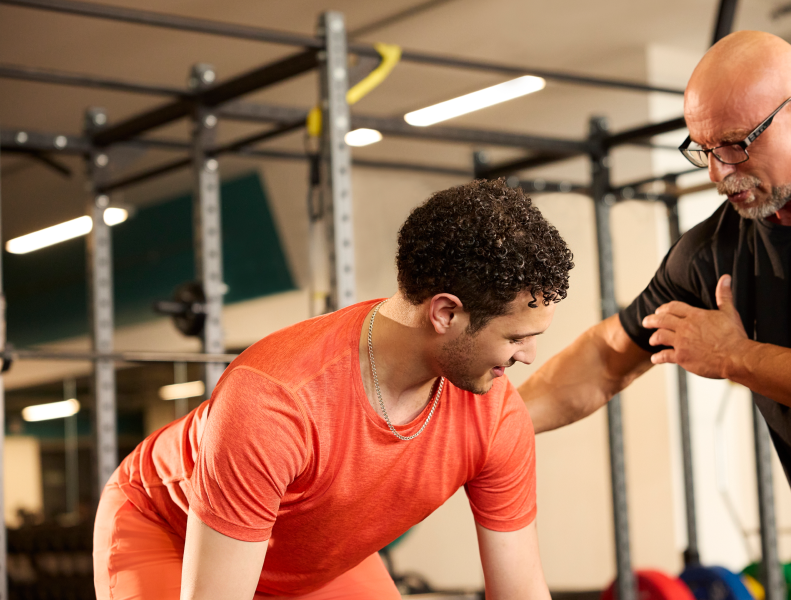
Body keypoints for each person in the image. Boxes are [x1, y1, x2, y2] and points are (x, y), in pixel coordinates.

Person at [520, 30, 791, 600]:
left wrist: (734, 355)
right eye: (703, 149)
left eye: (735, 144)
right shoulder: (713, 252)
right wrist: (489, 426)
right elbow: (610, 353)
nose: (716, 172)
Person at [93, 179, 574, 600]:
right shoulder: (275, 399)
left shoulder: (494, 412)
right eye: (516, 338)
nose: (529, 356)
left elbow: (521, 591)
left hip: (311, 557)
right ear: (445, 314)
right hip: (168, 531)